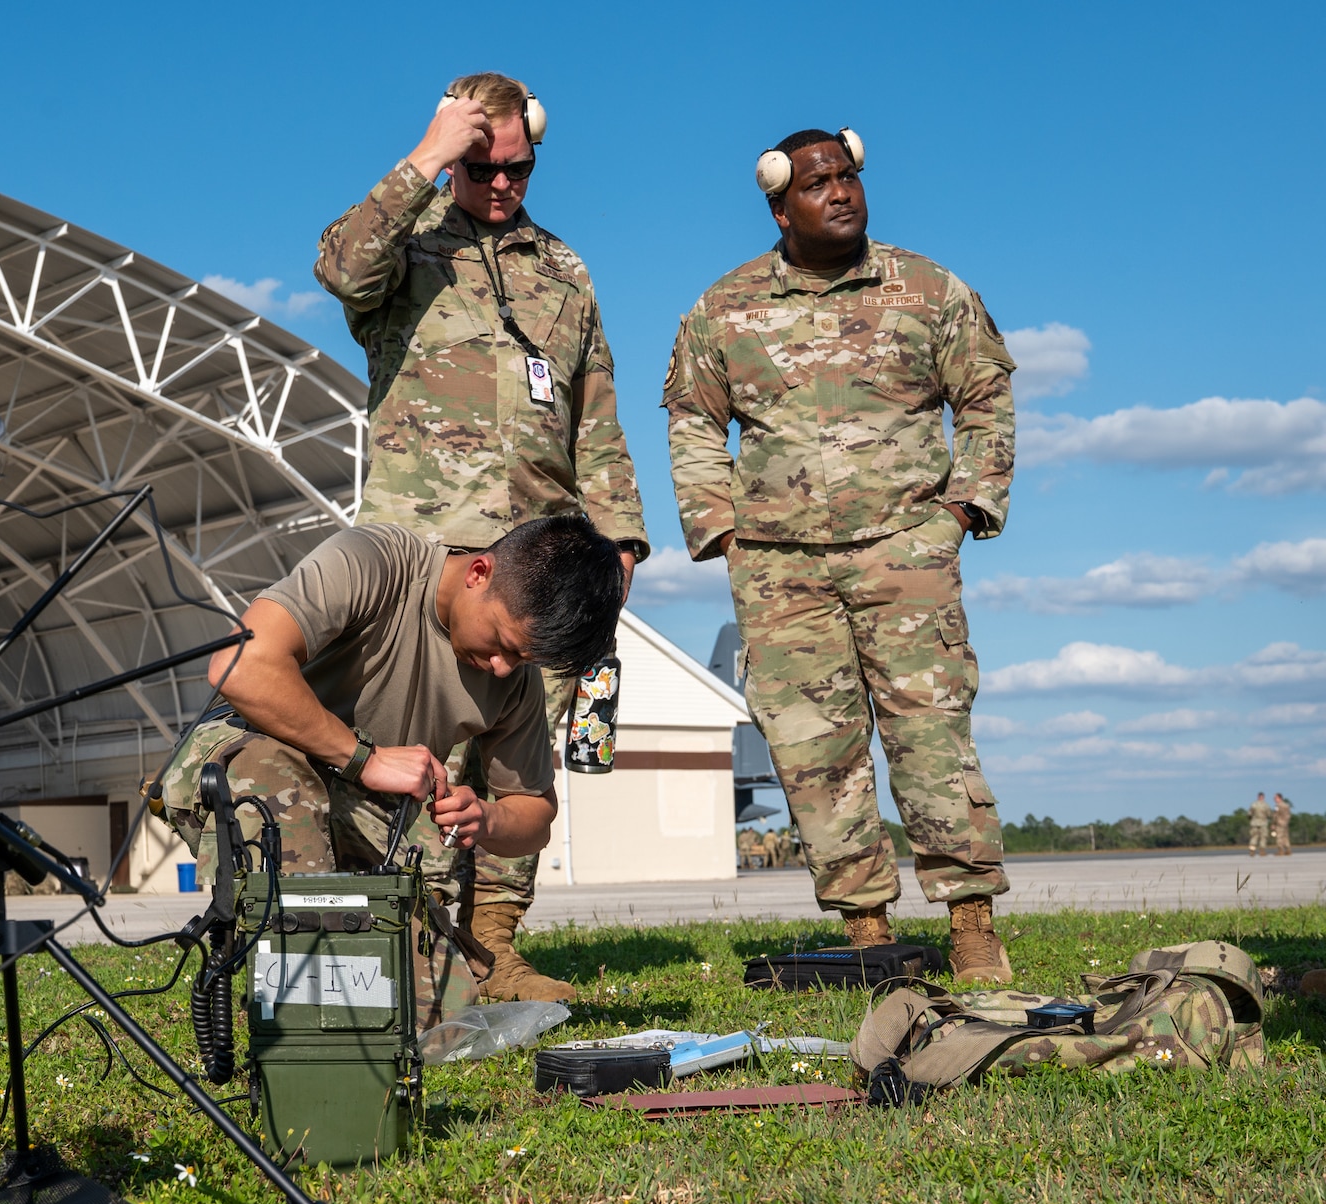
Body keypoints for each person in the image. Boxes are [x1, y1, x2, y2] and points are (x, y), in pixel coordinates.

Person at [314, 71, 649, 1003]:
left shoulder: (564, 269)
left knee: (516, 764)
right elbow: (341, 269)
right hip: (421, 557)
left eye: (519, 171)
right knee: (408, 748)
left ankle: (494, 943)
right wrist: (426, 156)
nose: (501, 186)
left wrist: (618, 540)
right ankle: (398, 936)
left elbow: (597, 409)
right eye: (482, 166)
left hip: (538, 560)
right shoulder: (406, 244)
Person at [665, 128, 1019, 986]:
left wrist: (967, 503)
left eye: (849, 177)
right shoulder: (726, 307)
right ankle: (867, 934)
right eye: (820, 183)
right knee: (812, 749)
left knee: (930, 733)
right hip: (782, 568)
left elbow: (986, 392)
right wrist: (721, 528)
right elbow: (692, 417)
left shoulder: (928, 289)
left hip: (906, 550)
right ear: (780, 205)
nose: (842, 193)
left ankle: (971, 926)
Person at [155, 514, 623, 983]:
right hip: (243, 760)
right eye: (503, 643)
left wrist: (487, 817)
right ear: (479, 573)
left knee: (436, 1012)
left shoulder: (512, 679)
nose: (503, 668)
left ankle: (332, 977)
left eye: (523, 657)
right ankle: (294, 994)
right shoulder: (377, 561)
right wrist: (365, 759)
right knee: (276, 778)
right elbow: (240, 665)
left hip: (358, 812)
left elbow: (535, 813)